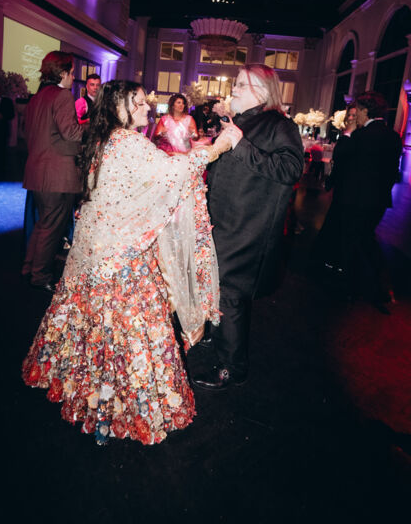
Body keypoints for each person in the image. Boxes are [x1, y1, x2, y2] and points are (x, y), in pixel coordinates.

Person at [22, 80, 231, 445]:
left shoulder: (102, 139)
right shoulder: (128, 141)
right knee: (128, 328)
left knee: (97, 325)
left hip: (95, 251)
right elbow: (174, 172)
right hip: (122, 256)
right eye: (139, 102)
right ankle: (120, 405)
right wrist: (219, 147)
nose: (148, 108)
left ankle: (92, 394)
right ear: (120, 106)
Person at [193, 64, 304, 391]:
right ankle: (218, 336)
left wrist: (240, 144)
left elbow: (291, 168)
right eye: (237, 83)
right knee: (217, 287)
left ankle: (232, 367)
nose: (234, 89)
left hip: (247, 228)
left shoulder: (279, 124)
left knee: (229, 294)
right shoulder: (241, 121)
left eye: (243, 84)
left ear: (263, 91)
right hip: (224, 222)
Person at [22, 51, 83, 293]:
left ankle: (29, 267)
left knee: (42, 225)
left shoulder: (36, 98)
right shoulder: (62, 95)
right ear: (62, 73)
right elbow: (71, 133)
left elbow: (41, 134)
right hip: (57, 174)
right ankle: (40, 276)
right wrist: (95, 126)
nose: (73, 78)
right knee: (51, 228)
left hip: (37, 171)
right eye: (72, 73)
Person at [338, 91, 402, 311]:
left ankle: (351, 289)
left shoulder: (360, 135)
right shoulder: (393, 136)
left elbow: (341, 157)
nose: (356, 115)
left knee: (353, 241)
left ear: (365, 110)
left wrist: (347, 133)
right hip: (378, 201)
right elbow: (392, 172)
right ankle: (379, 287)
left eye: (358, 110)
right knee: (366, 238)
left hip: (354, 199)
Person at [314, 104, 357, 272]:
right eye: (349, 115)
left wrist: (347, 134)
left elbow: (341, 156)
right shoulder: (349, 136)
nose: (350, 118)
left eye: (354, 115)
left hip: (351, 189)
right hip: (342, 188)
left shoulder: (356, 137)